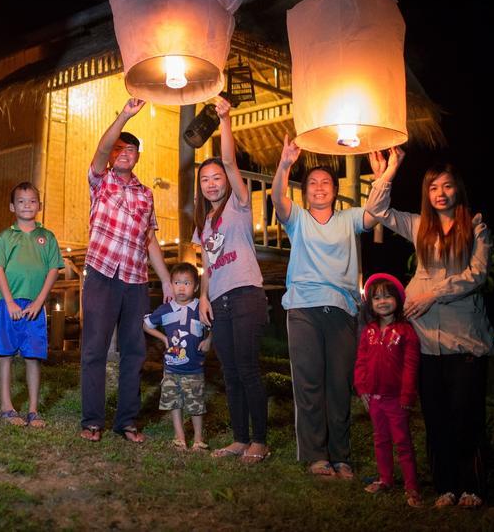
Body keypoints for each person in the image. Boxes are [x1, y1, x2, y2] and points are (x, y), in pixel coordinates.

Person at [366, 147, 492, 509]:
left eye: (447, 186)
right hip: (424, 340)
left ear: (458, 190)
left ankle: (473, 487)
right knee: (435, 417)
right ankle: (446, 487)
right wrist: (386, 175)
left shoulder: (477, 226)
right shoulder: (419, 225)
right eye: (434, 187)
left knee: (466, 415)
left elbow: (476, 275)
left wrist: (434, 293)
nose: (440, 193)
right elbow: (378, 212)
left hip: (464, 339)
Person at [271, 135, 380, 478]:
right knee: (309, 383)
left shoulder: (348, 219)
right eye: (313, 183)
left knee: (338, 384)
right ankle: (317, 455)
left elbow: (376, 212)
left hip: (343, 309)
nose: (319, 188)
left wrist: (380, 179)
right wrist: (285, 164)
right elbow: (277, 198)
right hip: (303, 308)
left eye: (326, 183)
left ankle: (341, 456)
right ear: (305, 192)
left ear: (335, 189)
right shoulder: (298, 219)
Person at [80, 97, 173, 443]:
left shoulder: (146, 195)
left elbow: (149, 240)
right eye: (119, 148)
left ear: (137, 157)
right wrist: (124, 115)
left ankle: (127, 422)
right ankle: (92, 420)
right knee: (94, 348)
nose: (123, 153)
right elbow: (103, 148)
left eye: (130, 150)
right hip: (102, 273)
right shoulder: (100, 181)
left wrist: (163, 278)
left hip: (135, 279)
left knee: (134, 351)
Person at [192, 97, 270, 464]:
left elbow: (229, 159)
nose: (211, 184)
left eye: (216, 178)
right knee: (230, 370)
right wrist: (204, 297)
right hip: (219, 301)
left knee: (248, 368)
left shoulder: (239, 203)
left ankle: (260, 440)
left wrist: (224, 120)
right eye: (204, 180)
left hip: (245, 295)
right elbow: (207, 262)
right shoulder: (204, 223)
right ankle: (240, 439)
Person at [0, 182, 63, 428]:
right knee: (6, 355)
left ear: (39, 205)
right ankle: (7, 407)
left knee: (33, 357)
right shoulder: (5, 237)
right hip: (9, 305)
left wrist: (40, 302)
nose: (27, 205)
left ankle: (33, 410)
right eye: (21, 201)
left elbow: (53, 269)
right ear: (12, 206)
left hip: (35, 307)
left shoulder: (47, 237)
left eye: (32, 201)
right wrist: (8, 302)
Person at [354, 273, 422, 508]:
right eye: (377, 298)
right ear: (371, 304)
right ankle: (385, 479)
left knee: (403, 442)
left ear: (398, 300)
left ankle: (412, 487)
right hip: (374, 398)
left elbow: (411, 367)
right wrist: (362, 388)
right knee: (380, 440)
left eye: (387, 297)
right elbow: (361, 361)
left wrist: (406, 396)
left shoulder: (406, 332)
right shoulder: (369, 331)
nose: (382, 302)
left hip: (396, 400)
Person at [143, 262, 212, 451]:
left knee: (196, 404)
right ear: (171, 285)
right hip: (171, 368)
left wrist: (209, 340)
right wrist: (163, 337)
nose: (181, 288)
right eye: (177, 283)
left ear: (196, 287)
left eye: (187, 283)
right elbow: (146, 324)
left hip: (195, 368)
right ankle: (179, 437)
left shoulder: (201, 308)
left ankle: (198, 439)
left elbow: (215, 325)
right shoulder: (166, 309)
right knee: (175, 403)